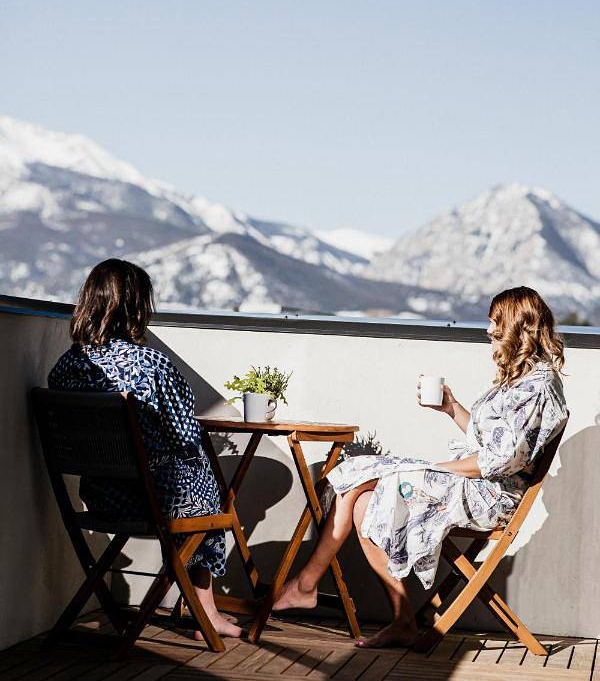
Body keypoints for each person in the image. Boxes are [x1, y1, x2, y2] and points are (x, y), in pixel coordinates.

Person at [272, 286, 569, 649]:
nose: (489, 330)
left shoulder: (538, 388)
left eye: (496, 321)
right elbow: (488, 442)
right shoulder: (520, 381)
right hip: (476, 483)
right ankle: (402, 620)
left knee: (372, 477)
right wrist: (451, 408)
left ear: (518, 325)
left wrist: (436, 469)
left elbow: (496, 461)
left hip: (491, 496)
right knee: (363, 502)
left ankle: (305, 584)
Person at [48, 259, 241, 640]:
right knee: (205, 486)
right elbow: (184, 436)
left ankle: (204, 610)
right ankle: (206, 612)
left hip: (101, 498)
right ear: (138, 308)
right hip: (152, 503)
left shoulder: (67, 366)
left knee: (194, 484)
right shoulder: (151, 365)